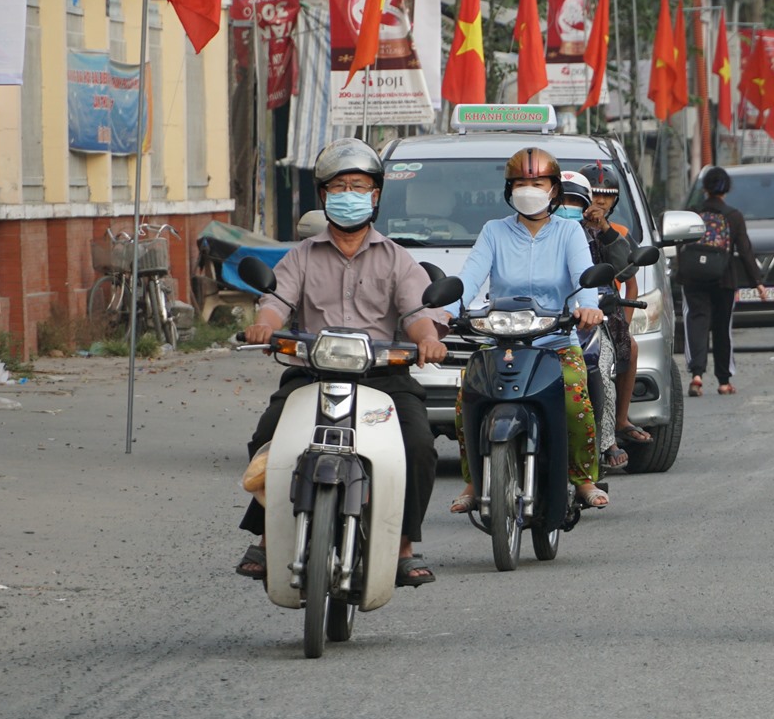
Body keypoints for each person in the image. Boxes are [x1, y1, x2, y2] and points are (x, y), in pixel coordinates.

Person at [234, 139, 445, 587]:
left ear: (375, 196)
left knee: (419, 446)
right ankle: (270, 537)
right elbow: (275, 301)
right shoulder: (301, 256)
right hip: (313, 372)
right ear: (324, 196)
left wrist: (428, 341)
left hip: (383, 379)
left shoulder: (398, 259)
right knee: (267, 437)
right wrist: (264, 325)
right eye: (340, 185)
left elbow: (418, 314)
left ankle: (404, 547)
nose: (349, 193)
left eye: (360, 185)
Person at [447, 148, 609, 513]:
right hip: (500, 341)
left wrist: (589, 308)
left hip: (555, 341)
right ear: (509, 189)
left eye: (537, 182)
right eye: (521, 182)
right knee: (466, 400)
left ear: (553, 189)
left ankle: (582, 477)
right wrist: (446, 310)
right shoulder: (494, 232)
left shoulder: (569, 232)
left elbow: (584, 279)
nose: (528, 188)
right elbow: (470, 276)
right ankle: (474, 479)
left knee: (574, 399)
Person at [559, 168, 649, 472]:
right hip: (554, 314)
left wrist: (605, 227)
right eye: (568, 199)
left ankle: (610, 433)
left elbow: (626, 272)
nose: (598, 202)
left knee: (607, 362)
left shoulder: (610, 232)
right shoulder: (548, 229)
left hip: (597, 313)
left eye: (606, 196)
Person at [682, 165, 765, 397]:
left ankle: (696, 375)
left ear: (705, 188)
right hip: (724, 280)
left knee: (696, 323)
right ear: (726, 189)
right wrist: (757, 282)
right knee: (722, 328)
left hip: (693, 278)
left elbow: (679, 243)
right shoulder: (733, 216)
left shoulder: (692, 213)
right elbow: (745, 251)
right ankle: (723, 381)